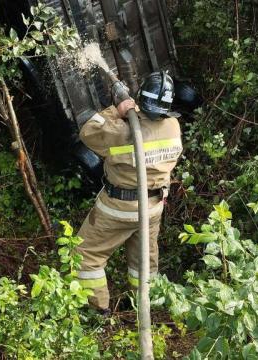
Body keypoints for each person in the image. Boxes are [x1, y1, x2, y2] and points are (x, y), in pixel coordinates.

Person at [74, 71, 183, 313]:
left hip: (118, 209)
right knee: (143, 262)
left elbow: (88, 131)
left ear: (141, 99)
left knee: (85, 257)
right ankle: (143, 307)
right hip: (152, 208)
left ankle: (98, 312)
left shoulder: (122, 133)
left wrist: (118, 110)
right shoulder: (173, 126)